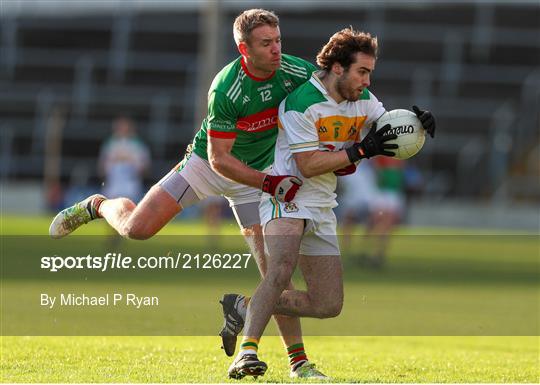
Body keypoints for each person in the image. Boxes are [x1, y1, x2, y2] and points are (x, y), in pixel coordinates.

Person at [48, 9, 325, 380]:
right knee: (137, 229)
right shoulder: (226, 87)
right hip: (208, 166)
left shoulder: (296, 72)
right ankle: (98, 206)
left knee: (275, 273)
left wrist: (390, 121)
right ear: (244, 49)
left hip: (257, 179)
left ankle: (299, 363)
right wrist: (270, 184)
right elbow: (219, 159)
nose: (276, 49)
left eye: (278, 40)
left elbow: (340, 93)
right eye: (266, 44)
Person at [225, 27, 436, 379]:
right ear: (337, 68)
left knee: (328, 305)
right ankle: (246, 355)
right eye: (362, 72)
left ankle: (243, 307)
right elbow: (307, 166)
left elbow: (388, 130)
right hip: (286, 196)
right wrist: (359, 150)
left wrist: (418, 125)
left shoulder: (364, 102)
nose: (367, 82)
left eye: (370, 73)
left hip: (322, 205)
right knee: (280, 270)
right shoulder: (301, 103)